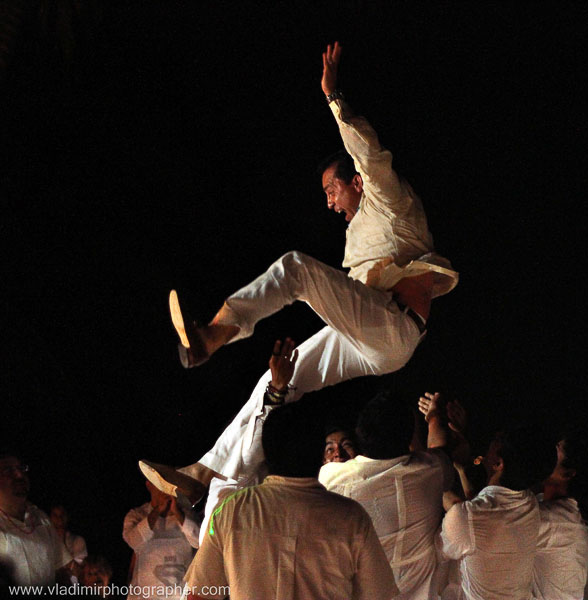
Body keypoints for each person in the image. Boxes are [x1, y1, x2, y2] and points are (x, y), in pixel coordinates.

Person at [140, 40, 457, 518]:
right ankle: (203, 475)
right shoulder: (357, 240)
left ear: (355, 182)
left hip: (396, 326)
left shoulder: (392, 204)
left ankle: (214, 334)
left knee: (295, 268)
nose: (329, 202)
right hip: (370, 335)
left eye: (332, 189)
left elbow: (370, 155)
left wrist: (334, 98)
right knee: (275, 381)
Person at [184, 399, 398, 600]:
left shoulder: (231, 511)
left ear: (266, 454)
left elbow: (198, 594)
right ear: (318, 454)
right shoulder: (351, 518)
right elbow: (377, 594)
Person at [319, 391, 454, 600]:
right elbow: (439, 450)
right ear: (408, 439)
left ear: (360, 433)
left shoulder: (330, 477)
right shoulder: (429, 470)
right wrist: (434, 417)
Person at [439, 426, 557, 600]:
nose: (489, 444)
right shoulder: (529, 504)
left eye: (496, 441)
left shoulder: (470, 517)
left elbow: (464, 515)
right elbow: (478, 511)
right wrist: (461, 469)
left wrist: (439, 466)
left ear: (498, 463)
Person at [534, 435, 588, 600]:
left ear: (568, 473)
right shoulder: (554, 511)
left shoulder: (557, 520)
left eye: (555, 451)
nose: (544, 454)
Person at [0, 449, 73, 587]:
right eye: (8, 470)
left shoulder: (41, 518)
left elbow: (61, 570)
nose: (19, 474)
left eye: (21, 468)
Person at [123, 481, 199, 600]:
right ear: (149, 485)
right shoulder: (136, 515)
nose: (165, 489)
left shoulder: (187, 515)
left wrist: (177, 513)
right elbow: (133, 541)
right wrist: (157, 510)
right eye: (160, 484)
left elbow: (199, 541)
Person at [49, 505, 88, 576]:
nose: (59, 519)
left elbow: (79, 572)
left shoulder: (78, 541)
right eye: (55, 515)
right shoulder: (43, 541)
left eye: (62, 515)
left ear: (67, 517)